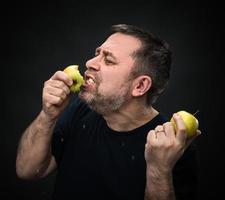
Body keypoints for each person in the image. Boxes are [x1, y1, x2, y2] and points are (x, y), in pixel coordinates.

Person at [16, 24, 201, 200]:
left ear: (140, 86)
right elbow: (27, 170)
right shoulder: (81, 109)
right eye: (97, 53)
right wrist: (48, 116)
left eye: (108, 60)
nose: (90, 63)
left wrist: (159, 171)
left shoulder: (172, 145)